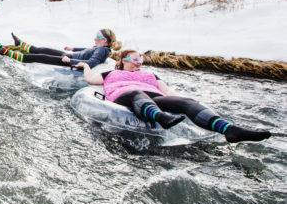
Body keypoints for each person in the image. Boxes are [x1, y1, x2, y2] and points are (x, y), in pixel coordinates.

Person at [81, 50, 271, 143]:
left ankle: (230, 130)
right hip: (125, 95)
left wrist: (181, 102)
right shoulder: (110, 74)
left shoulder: (150, 75)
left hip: (154, 97)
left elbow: (168, 92)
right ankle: (161, 117)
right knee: (137, 93)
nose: (139, 62)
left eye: (141, 59)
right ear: (123, 60)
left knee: (186, 102)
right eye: (135, 58)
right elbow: (90, 80)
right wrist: (85, 66)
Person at [0, 29, 120, 68]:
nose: (95, 38)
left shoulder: (102, 50)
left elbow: (92, 63)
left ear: (104, 41)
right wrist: (73, 48)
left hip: (70, 61)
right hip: (70, 56)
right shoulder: (101, 48)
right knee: (43, 49)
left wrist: (70, 61)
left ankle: (5, 52)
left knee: (42, 57)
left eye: (97, 37)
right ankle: (20, 44)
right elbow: (86, 50)